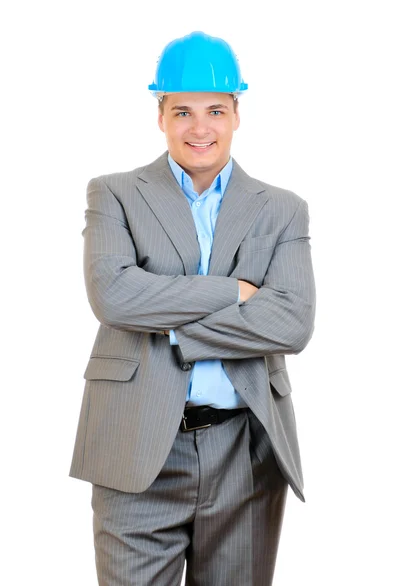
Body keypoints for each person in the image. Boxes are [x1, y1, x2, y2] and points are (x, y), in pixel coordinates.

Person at [69, 30, 316, 586]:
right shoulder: (114, 194)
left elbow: (293, 322)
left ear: (236, 115)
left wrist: (176, 334)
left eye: (215, 110)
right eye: (182, 111)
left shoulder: (281, 209)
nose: (199, 128)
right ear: (160, 115)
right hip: (135, 449)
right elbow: (113, 295)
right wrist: (233, 291)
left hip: (244, 452)